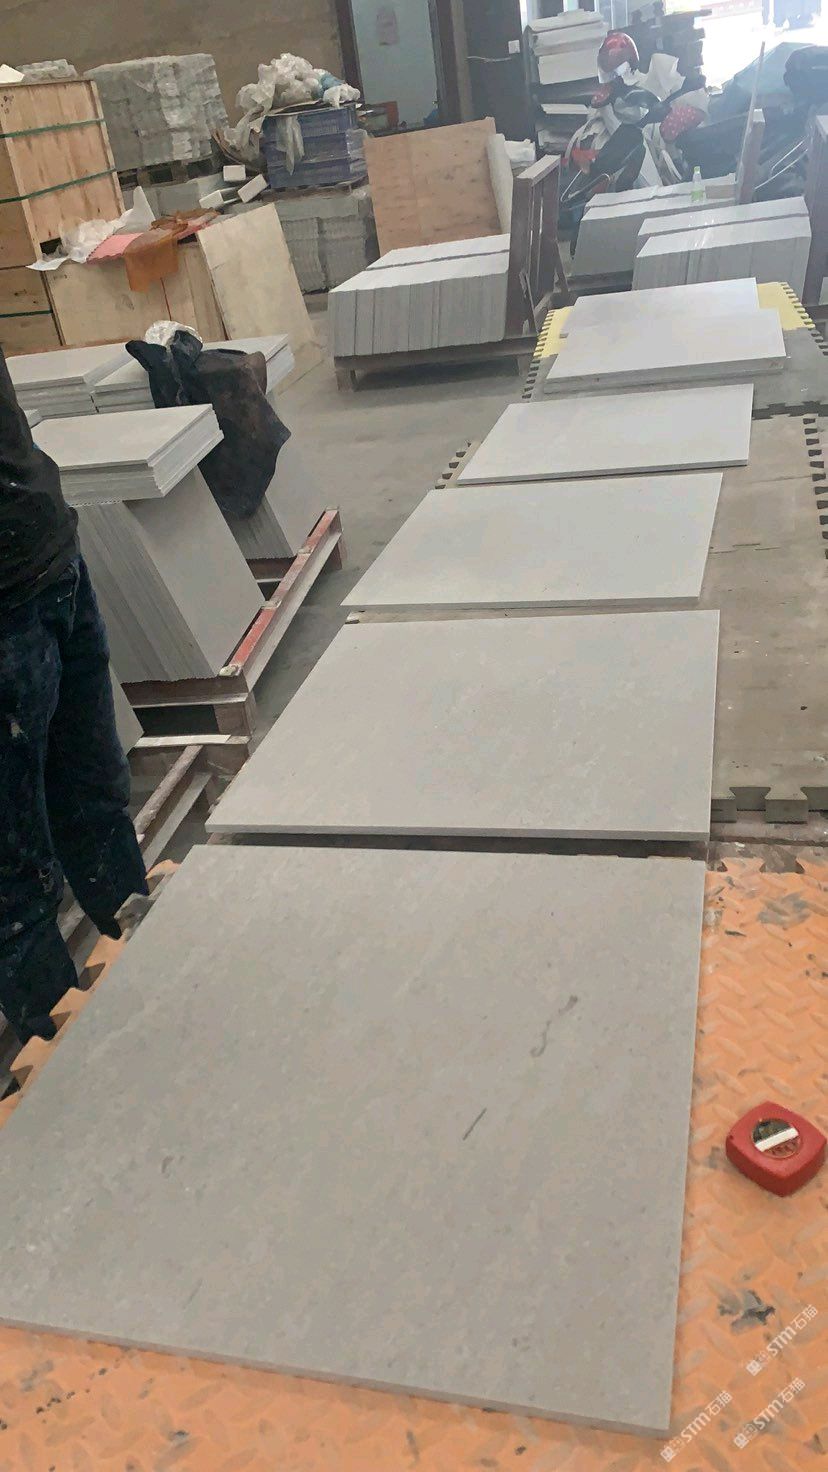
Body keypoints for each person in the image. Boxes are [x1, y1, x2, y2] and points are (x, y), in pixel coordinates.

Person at [0, 347, 147, 1044]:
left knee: (95, 801)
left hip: (50, 555)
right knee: (17, 883)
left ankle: (157, 984)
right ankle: (73, 1072)